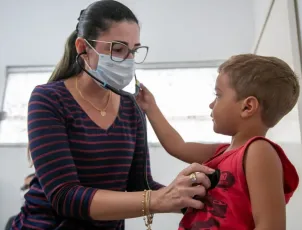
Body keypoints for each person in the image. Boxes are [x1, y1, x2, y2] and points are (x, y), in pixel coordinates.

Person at [11, 1, 215, 229]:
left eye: (134, 51)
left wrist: (195, 199)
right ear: (83, 48)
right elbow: (65, 196)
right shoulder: (48, 99)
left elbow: (140, 185)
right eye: (117, 50)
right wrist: (160, 199)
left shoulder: (131, 107)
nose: (128, 60)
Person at [136, 54, 300, 230]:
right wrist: (150, 107)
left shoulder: (258, 151)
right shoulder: (222, 152)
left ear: (247, 107)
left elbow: (270, 226)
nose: (211, 104)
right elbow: (177, 146)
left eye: (218, 95)